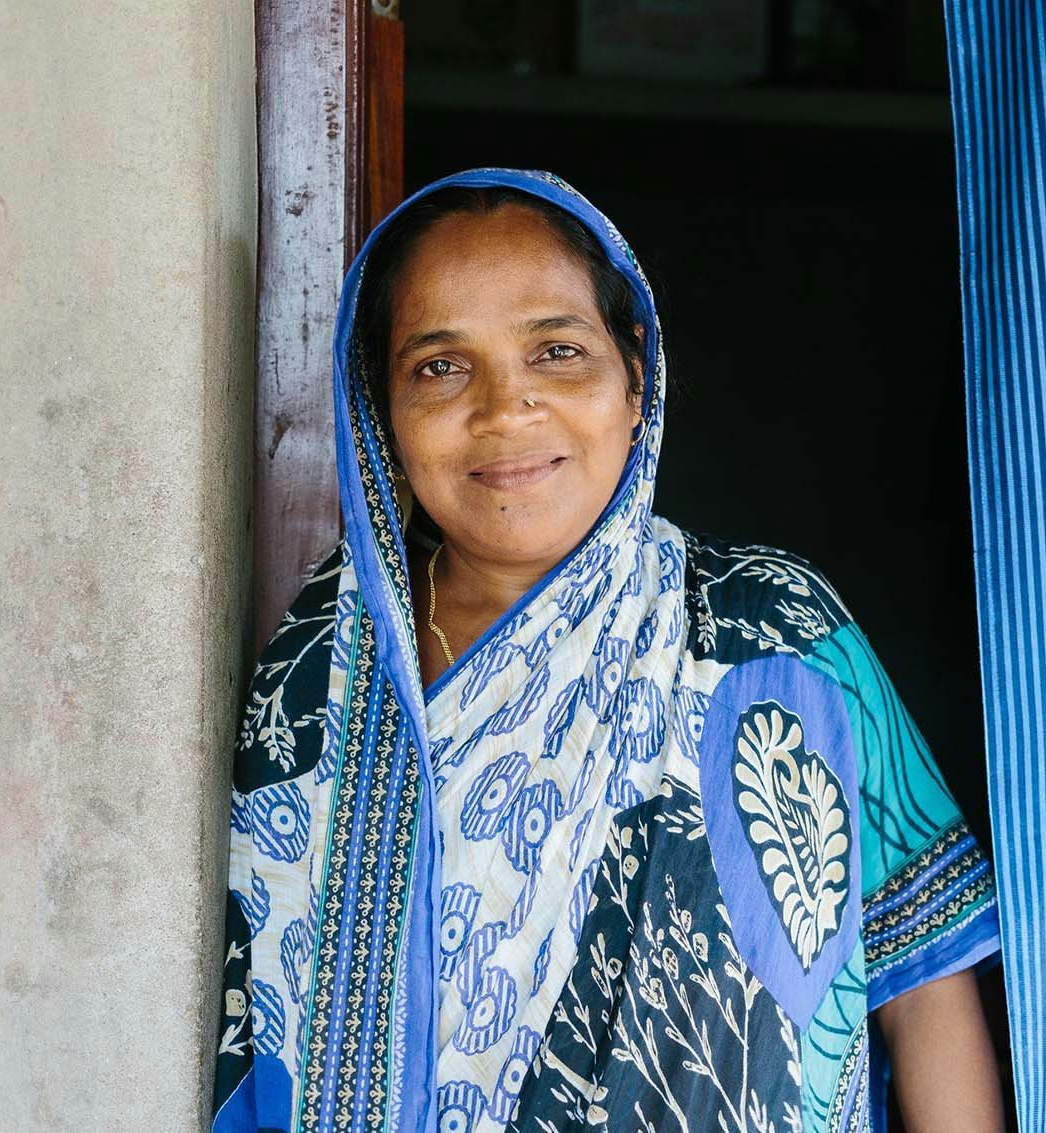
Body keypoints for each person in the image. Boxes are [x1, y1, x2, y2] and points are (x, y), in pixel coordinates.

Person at [211, 169, 1004, 1133]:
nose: (506, 408)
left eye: (556, 350)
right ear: (381, 412)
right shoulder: (316, 673)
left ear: (636, 377)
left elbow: (923, 990)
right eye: (439, 366)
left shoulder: (771, 634)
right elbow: (249, 1014)